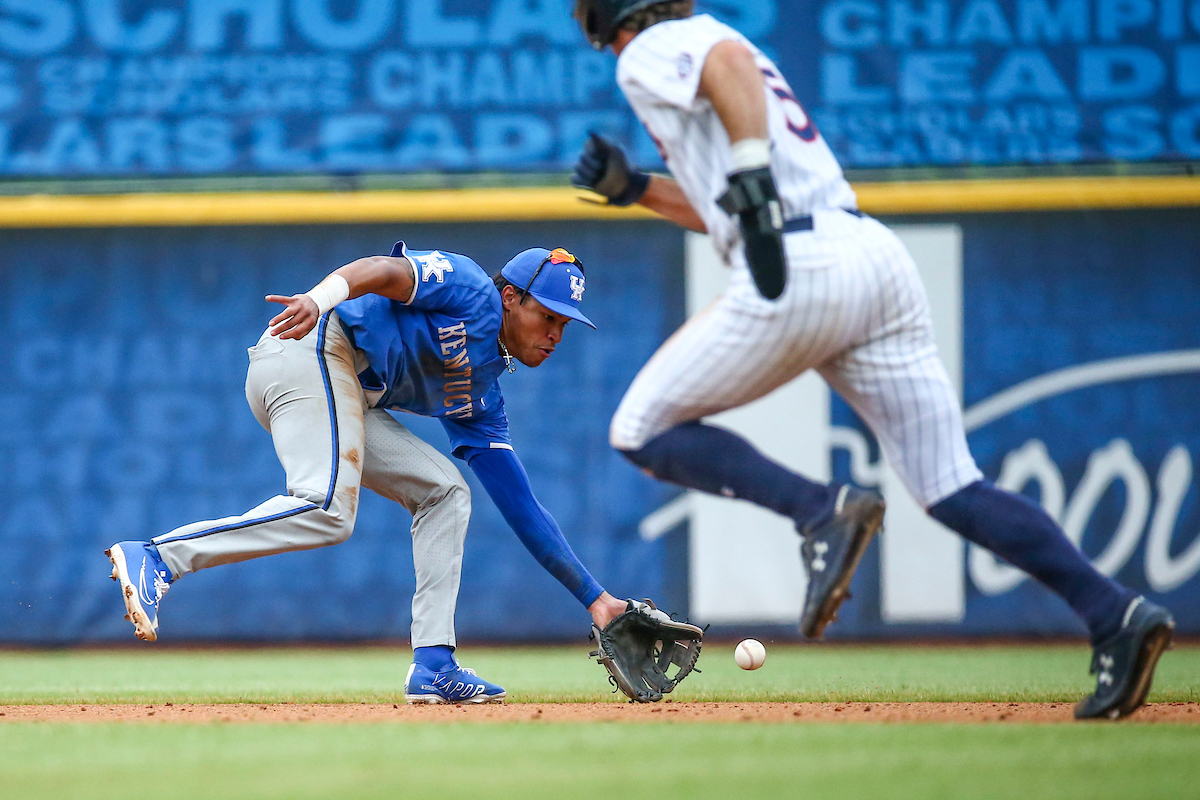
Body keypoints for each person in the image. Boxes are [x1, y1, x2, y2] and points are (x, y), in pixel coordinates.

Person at [569, 0, 1174, 720]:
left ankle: (820, 509)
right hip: (871, 257)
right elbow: (725, 205)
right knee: (950, 486)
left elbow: (728, 76)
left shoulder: (660, 47)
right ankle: (1115, 615)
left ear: (614, 20)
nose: (611, 55)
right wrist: (636, 190)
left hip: (805, 264)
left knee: (639, 429)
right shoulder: (711, 63)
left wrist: (755, 182)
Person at [106, 242, 632, 704]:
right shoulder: (471, 287)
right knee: (328, 508)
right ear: (512, 297)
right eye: (548, 316)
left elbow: (521, 505)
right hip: (312, 344)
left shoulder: (482, 395)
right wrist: (319, 296)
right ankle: (158, 556)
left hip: (347, 391)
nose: (556, 334)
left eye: (565, 324)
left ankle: (433, 666)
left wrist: (597, 599)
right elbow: (383, 270)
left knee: (446, 493)